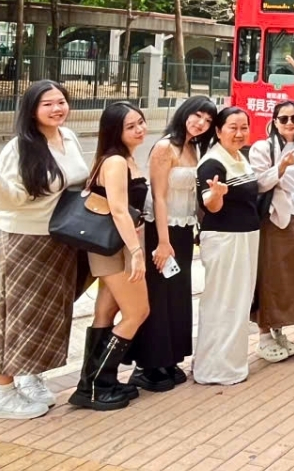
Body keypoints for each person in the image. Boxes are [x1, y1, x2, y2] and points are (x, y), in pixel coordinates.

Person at [0, 81, 90, 419]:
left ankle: (30, 376)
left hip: (63, 238)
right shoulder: (20, 147)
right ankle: (2, 394)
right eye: (47, 104)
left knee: (47, 313)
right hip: (26, 240)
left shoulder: (68, 138)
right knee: (16, 315)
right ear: (32, 110)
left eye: (61, 101)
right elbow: (10, 200)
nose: (57, 109)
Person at [65, 102, 151, 410]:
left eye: (140, 122)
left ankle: (95, 384)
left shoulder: (123, 157)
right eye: (131, 126)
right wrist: (136, 252)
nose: (139, 129)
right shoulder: (115, 161)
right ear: (115, 131)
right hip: (117, 247)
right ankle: (96, 385)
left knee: (105, 314)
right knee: (137, 312)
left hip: (115, 245)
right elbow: (118, 209)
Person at [129, 95, 217, 392]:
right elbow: (159, 197)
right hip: (161, 230)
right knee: (158, 295)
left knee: (176, 295)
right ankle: (148, 364)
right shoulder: (165, 147)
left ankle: (168, 358)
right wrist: (163, 243)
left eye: (208, 120)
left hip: (183, 229)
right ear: (185, 113)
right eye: (197, 116)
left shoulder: (194, 147)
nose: (201, 123)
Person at [248, 56, 294, 363]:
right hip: (277, 221)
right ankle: (264, 334)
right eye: (284, 119)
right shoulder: (263, 147)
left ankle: (278, 330)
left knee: (293, 279)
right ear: (274, 122)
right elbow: (258, 183)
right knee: (272, 276)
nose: (290, 123)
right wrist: (280, 168)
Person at [193, 107, 261, 386]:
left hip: (244, 237)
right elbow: (210, 205)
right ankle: (213, 369)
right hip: (225, 240)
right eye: (233, 127)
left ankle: (231, 364)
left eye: (244, 127)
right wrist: (216, 195)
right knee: (222, 303)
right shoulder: (212, 163)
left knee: (238, 303)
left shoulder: (239, 157)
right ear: (219, 131)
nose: (239, 133)